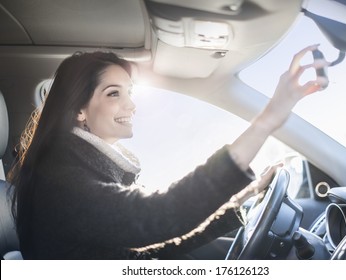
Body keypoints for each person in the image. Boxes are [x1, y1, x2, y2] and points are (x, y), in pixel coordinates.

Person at [8, 45, 328, 260]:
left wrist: (242, 198)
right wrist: (270, 117)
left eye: (129, 93)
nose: (131, 104)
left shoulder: (77, 168)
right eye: (114, 93)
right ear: (79, 109)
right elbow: (158, 217)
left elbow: (148, 250)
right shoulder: (63, 176)